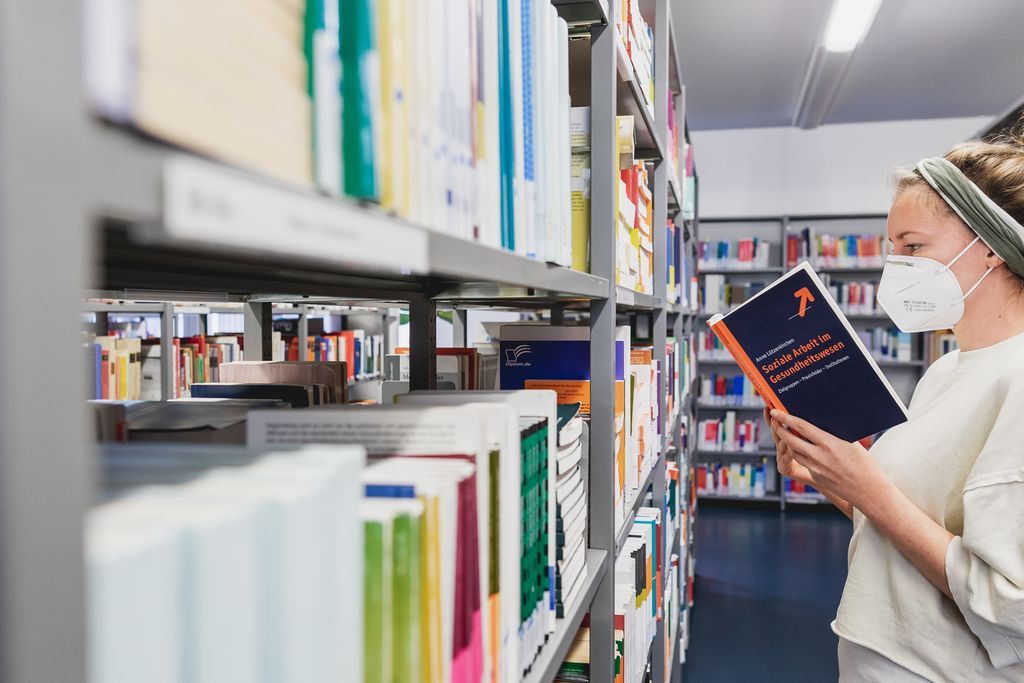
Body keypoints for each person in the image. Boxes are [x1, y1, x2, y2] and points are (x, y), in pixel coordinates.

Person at [765, 133, 1024, 681]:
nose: (895, 266)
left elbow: (1011, 604)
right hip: (876, 652)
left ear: (991, 246)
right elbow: (900, 524)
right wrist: (828, 476)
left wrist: (869, 487)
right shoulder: (945, 369)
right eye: (891, 248)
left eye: (912, 247)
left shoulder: (1017, 378)